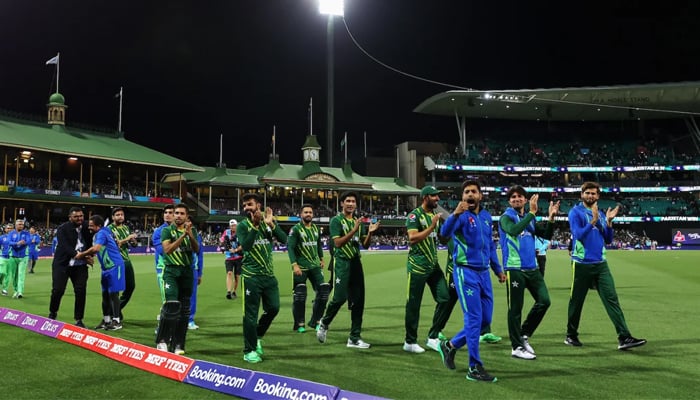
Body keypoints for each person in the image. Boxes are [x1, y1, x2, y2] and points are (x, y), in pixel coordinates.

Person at [566, 181, 646, 350]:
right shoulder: (575, 212)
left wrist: (608, 222)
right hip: (582, 264)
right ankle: (571, 335)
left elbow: (608, 239)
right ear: (582, 194)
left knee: (612, 300)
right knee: (577, 302)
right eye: (587, 193)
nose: (590, 196)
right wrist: (593, 220)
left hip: (601, 264)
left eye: (594, 193)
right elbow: (578, 235)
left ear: (598, 196)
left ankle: (624, 337)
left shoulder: (602, 214)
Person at [438, 180, 506, 383]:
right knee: (474, 319)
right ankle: (474, 367)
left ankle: (450, 345)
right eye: (466, 192)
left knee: (485, 321)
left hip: (484, 273)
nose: (470, 194)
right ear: (462, 196)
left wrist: (498, 270)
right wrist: (455, 214)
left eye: (473, 191)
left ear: (480, 196)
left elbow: (491, 247)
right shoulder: (460, 216)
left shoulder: (486, 217)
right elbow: (444, 235)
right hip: (466, 273)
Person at [498, 186, 559, 360]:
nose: (517, 199)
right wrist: (532, 213)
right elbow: (513, 230)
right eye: (513, 197)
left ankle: (523, 335)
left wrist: (551, 218)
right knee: (515, 309)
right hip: (514, 269)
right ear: (509, 201)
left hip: (532, 268)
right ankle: (516, 347)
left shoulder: (528, 218)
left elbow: (546, 235)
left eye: (520, 196)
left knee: (544, 301)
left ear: (525, 200)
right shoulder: (506, 217)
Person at [317, 191, 380, 349]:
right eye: (348, 201)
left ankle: (354, 338)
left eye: (353, 201)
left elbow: (365, 245)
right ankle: (324, 323)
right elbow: (338, 243)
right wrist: (354, 230)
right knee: (339, 298)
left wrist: (370, 233)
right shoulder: (336, 221)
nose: (351, 204)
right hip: (342, 262)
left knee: (359, 301)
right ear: (342, 203)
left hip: (355, 262)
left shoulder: (358, 222)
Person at [425, 237, 502, 352]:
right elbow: (453, 247)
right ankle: (435, 331)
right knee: (448, 301)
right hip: (456, 270)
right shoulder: (456, 225)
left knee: (481, 300)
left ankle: (484, 332)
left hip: (476, 271)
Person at [237, 193, 288, 363]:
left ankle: (257, 335)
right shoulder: (243, 226)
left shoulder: (268, 223)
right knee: (250, 315)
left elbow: (284, 239)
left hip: (268, 276)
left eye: (249, 204)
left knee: (274, 308)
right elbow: (246, 246)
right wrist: (256, 225)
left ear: (258, 205)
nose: (246, 208)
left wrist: (271, 224)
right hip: (251, 276)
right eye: (244, 205)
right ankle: (249, 350)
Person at [403, 186, 450, 353]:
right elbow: (413, 238)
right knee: (413, 305)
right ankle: (410, 341)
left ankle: (433, 336)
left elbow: (440, 239)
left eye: (438, 196)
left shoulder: (433, 216)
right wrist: (431, 227)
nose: (437, 199)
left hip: (433, 265)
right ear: (425, 197)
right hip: (417, 266)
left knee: (445, 299)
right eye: (434, 196)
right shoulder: (415, 215)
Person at [156, 203, 199, 355]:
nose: (178, 216)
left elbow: (196, 249)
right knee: (172, 305)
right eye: (176, 213)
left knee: (185, 310)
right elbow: (167, 250)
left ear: (187, 216)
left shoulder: (191, 230)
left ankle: (179, 344)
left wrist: (190, 235)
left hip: (187, 272)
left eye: (182, 213)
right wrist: (183, 236)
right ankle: (162, 340)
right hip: (172, 271)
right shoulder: (167, 231)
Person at [79, 215, 126, 331]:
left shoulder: (101, 233)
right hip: (106, 268)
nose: (89, 228)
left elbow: (96, 249)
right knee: (105, 295)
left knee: (113, 294)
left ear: (98, 226)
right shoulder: (104, 232)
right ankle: (106, 320)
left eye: (91, 226)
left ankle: (116, 321)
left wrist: (82, 255)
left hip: (115, 266)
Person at [49, 207, 93, 327]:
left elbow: (91, 243)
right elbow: (64, 246)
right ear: (70, 217)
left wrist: (90, 255)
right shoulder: (63, 229)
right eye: (76, 217)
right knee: (58, 290)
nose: (79, 219)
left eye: (81, 216)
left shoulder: (87, 227)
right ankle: (53, 312)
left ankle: (79, 319)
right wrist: (80, 256)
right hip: (62, 264)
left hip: (80, 267)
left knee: (80, 291)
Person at [287, 204, 328, 333]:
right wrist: (294, 264)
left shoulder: (315, 228)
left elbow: (318, 245)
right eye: (306, 212)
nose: (308, 214)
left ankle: (316, 321)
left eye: (310, 212)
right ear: (301, 214)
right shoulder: (296, 229)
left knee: (323, 293)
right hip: (301, 268)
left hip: (315, 266)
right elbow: (290, 247)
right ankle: (299, 324)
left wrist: (321, 258)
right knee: (299, 296)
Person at [107, 207, 137, 320]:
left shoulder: (126, 228)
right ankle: (115, 313)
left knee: (131, 286)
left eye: (122, 214)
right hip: (115, 263)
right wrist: (127, 238)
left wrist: (133, 240)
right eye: (117, 215)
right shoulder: (108, 229)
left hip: (127, 261)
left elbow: (132, 245)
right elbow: (115, 244)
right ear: (113, 217)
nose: (120, 216)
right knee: (116, 289)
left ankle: (116, 309)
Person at [152, 204, 174, 302]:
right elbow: (163, 250)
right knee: (166, 295)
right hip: (164, 268)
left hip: (179, 267)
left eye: (170, 212)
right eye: (165, 212)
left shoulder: (181, 230)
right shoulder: (158, 232)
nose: (167, 215)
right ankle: (166, 313)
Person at [6, 219, 31, 298]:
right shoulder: (11, 233)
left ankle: (20, 292)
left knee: (21, 274)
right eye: (19, 224)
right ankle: (15, 290)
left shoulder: (26, 233)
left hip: (23, 257)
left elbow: (29, 241)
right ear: (15, 225)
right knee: (14, 275)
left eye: (22, 224)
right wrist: (17, 243)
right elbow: (8, 242)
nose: (21, 226)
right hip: (13, 257)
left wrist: (25, 242)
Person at [221, 219, 243, 299]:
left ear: (236, 225)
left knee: (237, 276)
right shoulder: (226, 232)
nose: (233, 227)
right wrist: (224, 245)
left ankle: (234, 291)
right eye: (231, 226)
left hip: (238, 257)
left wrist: (235, 250)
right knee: (229, 273)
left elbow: (243, 244)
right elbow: (222, 240)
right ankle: (229, 291)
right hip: (229, 257)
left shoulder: (240, 232)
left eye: (234, 225)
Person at [188, 224, 204, 330]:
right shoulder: (171, 232)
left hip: (192, 269)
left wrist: (199, 273)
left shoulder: (196, 236)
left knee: (192, 296)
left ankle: (190, 320)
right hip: (176, 269)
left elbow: (199, 255)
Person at [0, 224, 13, 295]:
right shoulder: (1, 237)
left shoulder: (16, 238)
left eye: (11, 228)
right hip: (3, 257)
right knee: (2, 272)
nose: (9, 229)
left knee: (8, 275)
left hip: (11, 258)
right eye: (8, 228)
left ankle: (5, 289)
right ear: (5, 229)